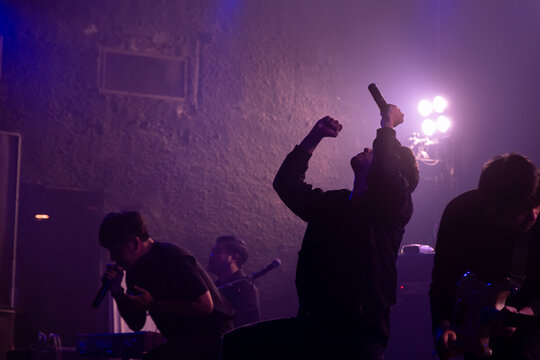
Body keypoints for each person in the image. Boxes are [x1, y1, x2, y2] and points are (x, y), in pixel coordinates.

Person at [271, 105, 419, 359]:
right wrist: (314, 136)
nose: (369, 148)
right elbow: (286, 184)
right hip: (316, 326)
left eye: (381, 152)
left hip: (360, 333)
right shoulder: (334, 204)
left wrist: (388, 124)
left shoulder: (395, 208)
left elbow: (386, 173)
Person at [430, 153, 540, 360]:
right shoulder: (460, 210)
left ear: (530, 212)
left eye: (501, 214)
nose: (491, 216)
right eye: (488, 208)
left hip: (530, 334)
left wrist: (524, 314)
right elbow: (442, 281)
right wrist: (442, 326)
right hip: (477, 332)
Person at [98, 211, 234, 360]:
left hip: (214, 341)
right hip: (185, 343)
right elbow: (136, 323)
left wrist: (155, 304)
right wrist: (118, 293)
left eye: (116, 251)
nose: (112, 257)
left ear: (134, 244)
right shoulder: (135, 271)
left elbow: (205, 306)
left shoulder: (172, 257)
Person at [208, 235, 261, 327]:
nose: (211, 256)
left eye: (217, 251)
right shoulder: (214, 286)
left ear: (233, 257)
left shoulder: (246, 289)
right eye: (212, 252)